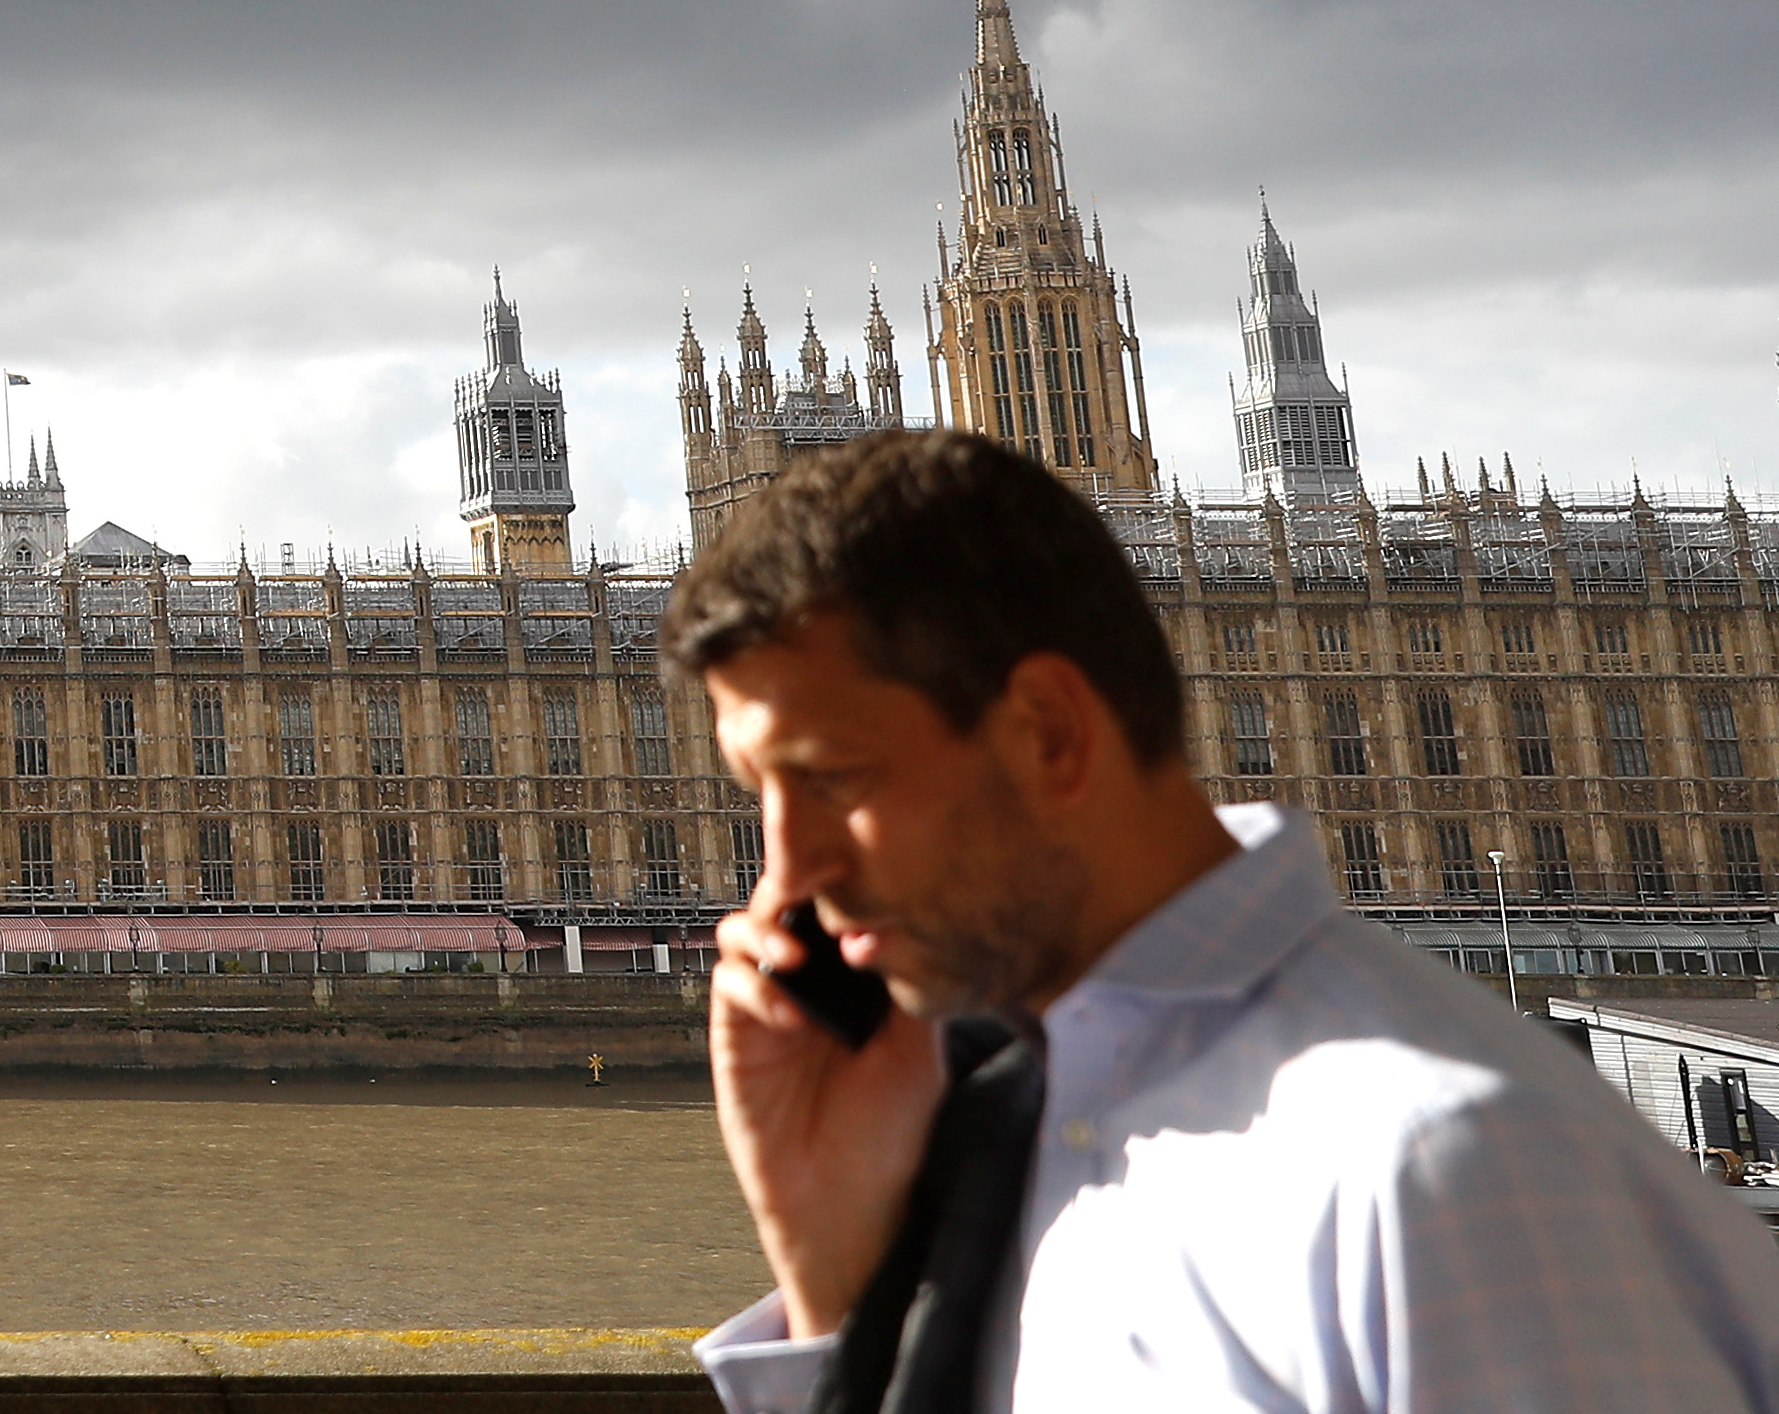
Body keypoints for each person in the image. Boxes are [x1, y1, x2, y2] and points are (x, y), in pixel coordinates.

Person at [675, 430, 1779, 1411]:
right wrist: (841, 1277)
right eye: (756, 793)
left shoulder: (1435, 1173)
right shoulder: (1012, 1128)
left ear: (1049, 731)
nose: (786, 868)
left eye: (832, 777)